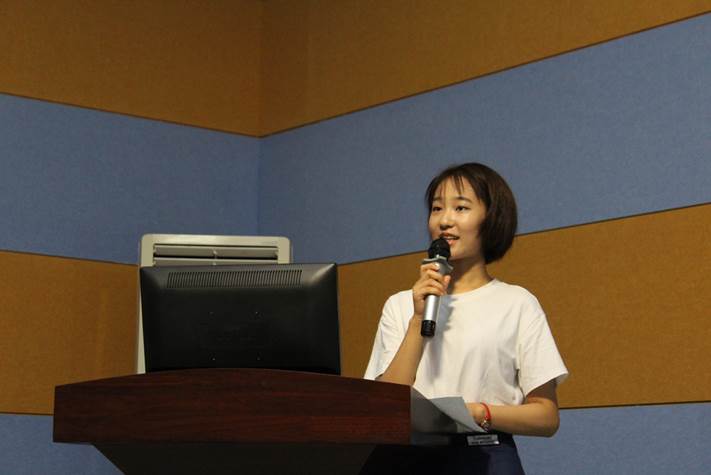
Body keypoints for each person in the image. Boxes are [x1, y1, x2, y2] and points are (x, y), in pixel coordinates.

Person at [362, 163, 568, 474]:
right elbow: (386, 406)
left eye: (461, 208)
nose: (445, 220)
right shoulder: (401, 304)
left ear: (492, 219)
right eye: (437, 208)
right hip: (404, 455)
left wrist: (478, 412)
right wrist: (417, 320)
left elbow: (546, 417)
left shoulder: (517, 303)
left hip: (484, 453)